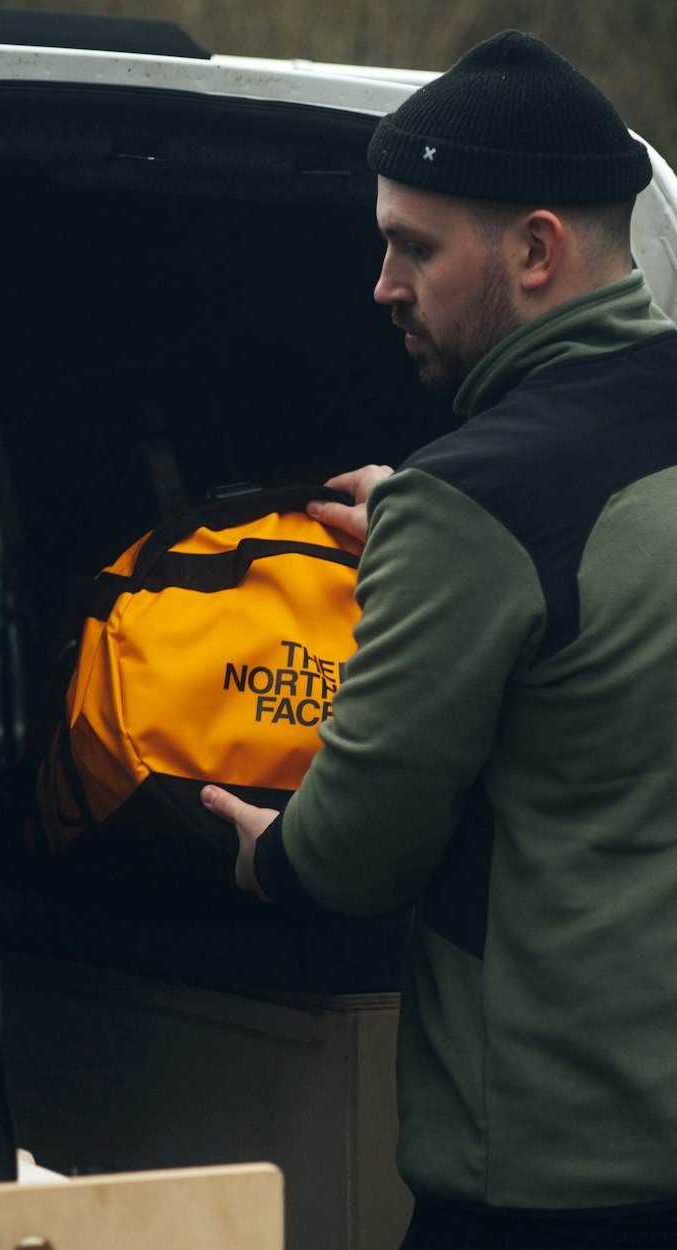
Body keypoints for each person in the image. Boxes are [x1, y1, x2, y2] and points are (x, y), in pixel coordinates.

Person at [201, 29, 677, 1249]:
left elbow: (351, 854)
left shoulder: (472, 502)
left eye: (413, 245)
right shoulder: (482, 507)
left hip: (551, 1188)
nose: (382, 284)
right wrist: (422, 535)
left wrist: (267, 850)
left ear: (533, 249)